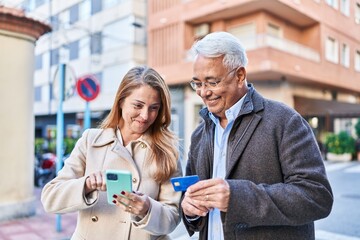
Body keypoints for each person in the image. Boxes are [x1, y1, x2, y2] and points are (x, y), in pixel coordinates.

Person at [181, 31, 333, 240]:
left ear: (240, 76)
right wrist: (189, 210)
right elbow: (193, 198)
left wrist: (236, 198)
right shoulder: (200, 133)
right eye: (197, 83)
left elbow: (317, 197)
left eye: (212, 82)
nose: (203, 92)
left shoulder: (285, 120)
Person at [41, 66, 182, 240]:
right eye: (138, 105)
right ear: (121, 101)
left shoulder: (167, 152)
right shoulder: (91, 141)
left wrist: (147, 209)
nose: (145, 116)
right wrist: (86, 185)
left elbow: (174, 216)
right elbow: (50, 198)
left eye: (154, 108)